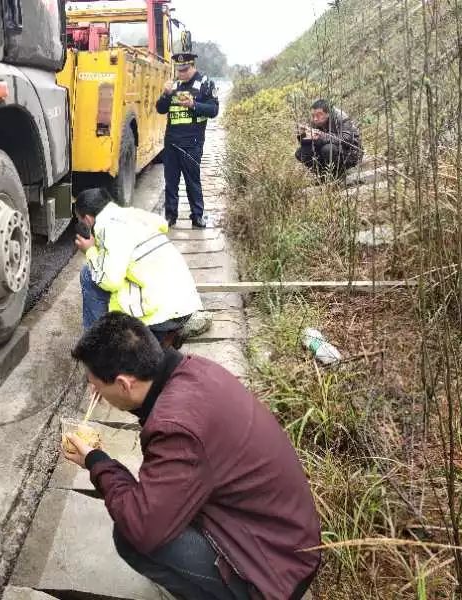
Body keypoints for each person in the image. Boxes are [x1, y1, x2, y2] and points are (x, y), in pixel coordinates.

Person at [64, 312, 322, 600]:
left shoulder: (175, 428)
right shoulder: (193, 371)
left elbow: (142, 525)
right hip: (287, 540)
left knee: (130, 538)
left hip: (274, 573)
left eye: (96, 385)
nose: (94, 392)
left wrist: (96, 461)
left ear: (124, 384)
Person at [73, 188, 209, 348]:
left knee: (89, 274)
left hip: (163, 316)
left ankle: (97, 346)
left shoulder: (109, 227)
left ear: (88, 219)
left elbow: (111, 282)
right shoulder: (131, 214)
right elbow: (162, 224)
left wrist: (90, 250)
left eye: (80, 221)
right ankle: (166, 335)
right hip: (185, 305)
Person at [156, 52, 219, 229]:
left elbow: (214, 110)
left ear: (193, 66)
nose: (181, 73)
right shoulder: (173, 85)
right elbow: (160, 109)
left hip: (192, 142)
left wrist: (194, 105)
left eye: (185, 70)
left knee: (193, 181)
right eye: (179, 70)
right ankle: (170, 216)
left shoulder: (205, 83)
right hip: (171, 142)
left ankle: (197, 216)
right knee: (170, 182)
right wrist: (166, 94)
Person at [296, 99, 363, 180]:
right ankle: (323, 176)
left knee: (328, 149)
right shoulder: (315, 120)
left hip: (350, 153)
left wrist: (321, 136)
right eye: (313, 115)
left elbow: (346, 139)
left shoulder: (340, 117)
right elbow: (305, 143)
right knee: (301, 153)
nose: (315, 118)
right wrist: (303, 136)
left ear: (328, 113)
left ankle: (337, 176)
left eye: (319, 115)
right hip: (329, 151)